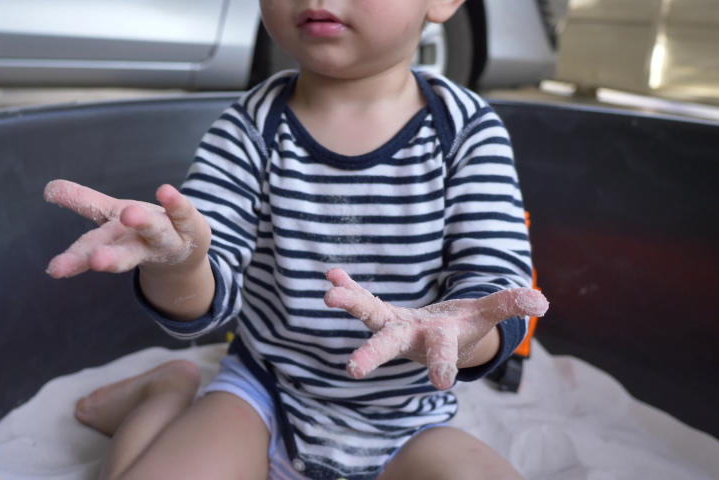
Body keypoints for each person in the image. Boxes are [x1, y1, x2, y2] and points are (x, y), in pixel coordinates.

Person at [43, 0, 549, 478]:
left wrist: (460, 333)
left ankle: (168, 391)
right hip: (263, 396)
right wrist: (178, 265)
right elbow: (209, 290)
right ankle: (167, 392)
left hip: (410, 416)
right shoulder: (250, 128)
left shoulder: (465, 132)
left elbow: (497, 289)